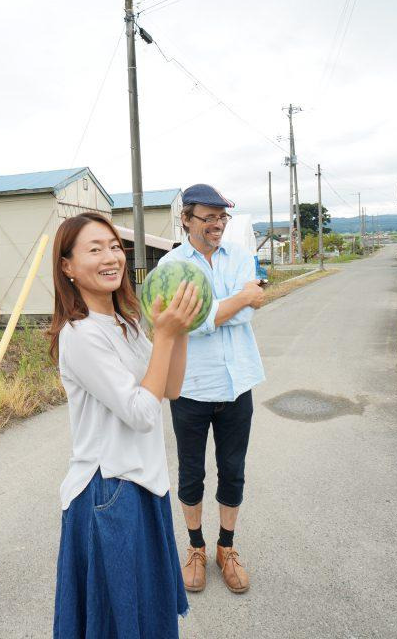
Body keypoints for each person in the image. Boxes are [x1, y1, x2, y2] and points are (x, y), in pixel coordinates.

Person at [49, 212, 202, 639]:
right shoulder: (79, 335)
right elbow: (140, 412)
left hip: (145, 486)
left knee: (146, 617)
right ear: (68, 267)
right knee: (117, 624)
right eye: (94, 249)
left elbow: (170, 387)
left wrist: (180, 331)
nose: (110, 256)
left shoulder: (127, 324)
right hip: (108, 490)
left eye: (114, 246)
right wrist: (166, 337)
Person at [157, 184, 266, 595]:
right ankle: (196, 547)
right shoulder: (170, 266)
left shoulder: (240, 257)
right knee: (191, 473)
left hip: (238, 382)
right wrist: (234, 302)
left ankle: (227, 547)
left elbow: (249, 308)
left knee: (233, 471)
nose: (218, 224)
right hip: (190, 385)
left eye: (223, 217)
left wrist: (223, 307)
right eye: (209, 217)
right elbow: (184, 321)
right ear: (186, 219)